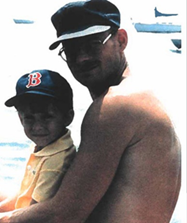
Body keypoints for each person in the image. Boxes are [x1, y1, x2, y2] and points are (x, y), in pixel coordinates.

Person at [0, 0, 181, 222]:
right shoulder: (140, 96)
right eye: (71, 49)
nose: (81, 57)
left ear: (121, 40)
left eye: (93, 44)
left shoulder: (116, 106)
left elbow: (63, 215)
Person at [0, 69, 76, 212]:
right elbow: (24, 194)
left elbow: (34, 214)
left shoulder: (55, 161)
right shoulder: (46, 146)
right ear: (20, 119)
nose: (38, 127)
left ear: (67, 117)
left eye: (47, 117)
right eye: (29, 118)